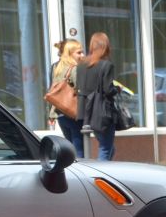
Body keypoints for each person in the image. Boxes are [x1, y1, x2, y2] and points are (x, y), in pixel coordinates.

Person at [76, 32, 117, 160]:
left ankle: (105, 171)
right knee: (105, 147)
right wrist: (117, 89)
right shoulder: (106, 65)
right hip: (101, 111)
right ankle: (100, 175)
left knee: (108, 147)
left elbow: (80, 85)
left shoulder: (81, 65)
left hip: (84, 111)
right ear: (106, 46)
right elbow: (108, 90)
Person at [49, 39, 84, 155]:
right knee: (79, 151)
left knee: (70, 150)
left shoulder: (56, 67)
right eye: (79, 52)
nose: (82, 55)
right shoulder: (74, 68)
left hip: (60, 113)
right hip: (73, 113)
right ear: (70, 53)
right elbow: (81, 90)